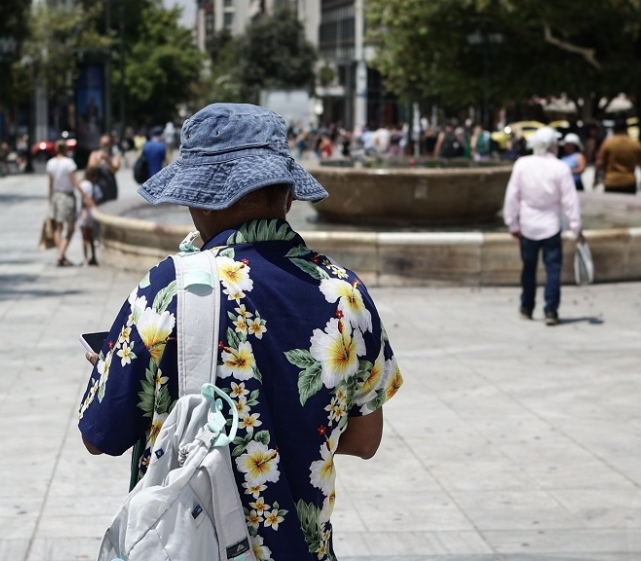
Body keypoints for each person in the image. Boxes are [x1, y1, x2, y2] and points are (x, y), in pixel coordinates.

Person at [78, 103, 402, 561]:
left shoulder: (168, 289)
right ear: (288, 196)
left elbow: (99, 437)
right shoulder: (346, 293)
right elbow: (366, 440)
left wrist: (111, 368)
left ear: (199, 199)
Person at [503, 128, 583, 326]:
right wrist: (576, 226)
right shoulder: (560, 167)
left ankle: (526, 307)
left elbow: (512, 196)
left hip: (528, 225)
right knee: (553, 269)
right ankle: (551, 310)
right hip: (551, 226)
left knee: (528, 269)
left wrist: (512, 223)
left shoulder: (522, 165)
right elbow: (570, 200)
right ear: (552, 145)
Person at [46, 140, 94, 267]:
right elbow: (75, 182)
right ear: (66, 149)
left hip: (56, 195)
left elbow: (50, 183)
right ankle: (61, 255)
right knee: (71, 228)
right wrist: (85, 195)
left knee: (57, 227)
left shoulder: (50, 163)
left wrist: (50, 198)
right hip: (67, 196)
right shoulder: (69, 163)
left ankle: (61, 255)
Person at [595, 121, 641, 194]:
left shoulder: (607, 143)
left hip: (611, 182)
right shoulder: (635, 144)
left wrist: (596, 179)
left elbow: (599, 163)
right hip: (629, 182)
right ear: (626, 130)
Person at [86, 133, 121, 203]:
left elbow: (115, 169)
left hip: (110, 187)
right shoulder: (94, 154)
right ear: (100, 144)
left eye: (107, 143)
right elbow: (90, 168)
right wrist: (98, 160)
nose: (105, 145)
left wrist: (107, 160)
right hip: (97, 186)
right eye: (103, 143)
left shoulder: (114, 155)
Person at [78, 165, 101, 266]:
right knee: (89, 237)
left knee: (85, 237)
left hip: (83, 213)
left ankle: (86, 258)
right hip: (87, 212)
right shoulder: (89, 185)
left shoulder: (82, 183)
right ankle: (91, 257)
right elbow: (88, 198)